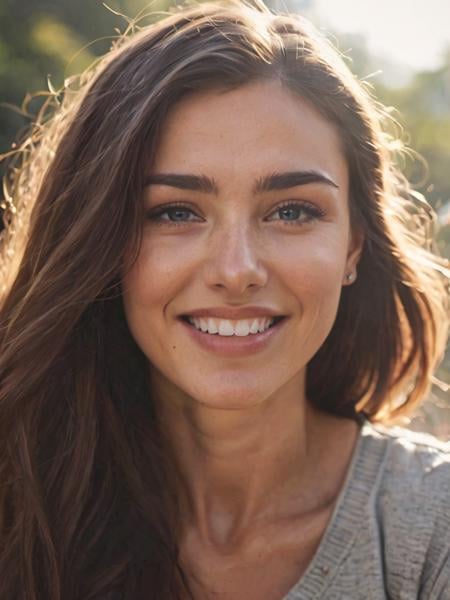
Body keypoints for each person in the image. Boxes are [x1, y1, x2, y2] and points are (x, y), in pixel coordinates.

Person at [0, 1, 449, 598]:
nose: (237, 271)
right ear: (98, 239)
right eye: (175, 212)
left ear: (352, 248)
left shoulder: (432, 528)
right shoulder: (18, 511)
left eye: (292, 212)